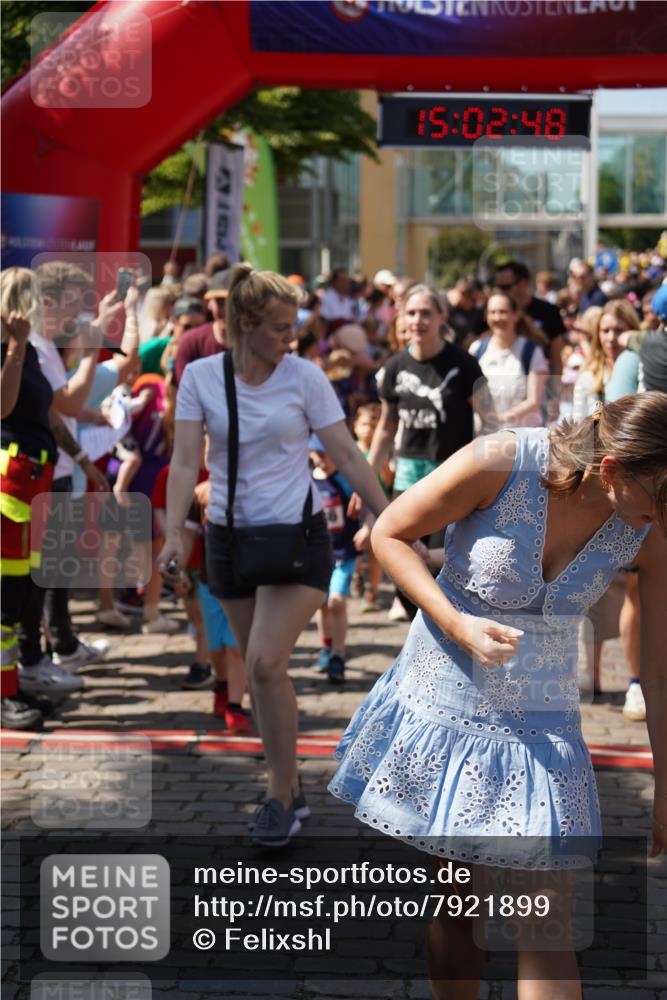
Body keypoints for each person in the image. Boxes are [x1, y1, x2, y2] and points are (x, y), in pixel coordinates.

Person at [330, 393, 667, 998]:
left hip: (546, 724)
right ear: (612, 470)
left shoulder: (653, 527)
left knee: (546, 918)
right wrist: (456, 622)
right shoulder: (500, 460)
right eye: (663, 494)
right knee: (460, 901)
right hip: (447, 699)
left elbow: (661, 671)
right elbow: (392, 533)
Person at [160, 265, 389, 847]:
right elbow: (187, 461)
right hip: (228, 540)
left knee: (263, 662)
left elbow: (347, 451)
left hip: (297, 536)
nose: (292, 338)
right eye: (281, 328)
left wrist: (386, 514)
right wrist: (171, 535)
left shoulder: (305, 377)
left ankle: (278, 795)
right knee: (263, 673)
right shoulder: (202, 377)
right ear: (245, 325)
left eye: (295, 326)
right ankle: (289, 781)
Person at [1, 267, 109, 725]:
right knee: (7, 596)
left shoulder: (32, 352)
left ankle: (14, 687)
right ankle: (5, 696)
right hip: (11, 485)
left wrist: (83, 460)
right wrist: (14, 347)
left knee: (25, 592)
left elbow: (50, 416)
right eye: (34, 300)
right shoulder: (13, 349)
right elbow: (3, 407)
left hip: (37, 481)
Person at [368, 283, 486, 621]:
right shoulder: (394, 367)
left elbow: (489, 419)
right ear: (401, 318)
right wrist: (370, 477)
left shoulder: (463, 365)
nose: (418, 320)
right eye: (411, 313)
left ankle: (446, 628)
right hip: (409, 471)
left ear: (441, 318)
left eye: (426, 313)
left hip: (451, 472)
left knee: (442, 558)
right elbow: (387, 427)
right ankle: (418, 626)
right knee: (403, 550)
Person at [310, 433, 361, 684]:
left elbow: (367, 502)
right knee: (321, 603)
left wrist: (367, 527)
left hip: (343, 554)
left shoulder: (345, 480)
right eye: (319, 454)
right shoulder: (307, 482)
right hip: (318, 556)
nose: (324, 459)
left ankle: (338, 654)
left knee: (337, 602)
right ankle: (325, 646)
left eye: (329, 453)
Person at [469, 291, 549, 432]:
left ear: (516, 315)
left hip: (522, 438)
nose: (497, 317)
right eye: (492, 312)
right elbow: (469, 394)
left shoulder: (531, 352)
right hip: (485, 436)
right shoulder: (476, 350)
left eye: (503, 312)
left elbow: (533, 402)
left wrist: (500, 420)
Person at [572, 300, 640, 422]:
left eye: (619, 330)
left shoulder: (644, 370)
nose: (611, 337)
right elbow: (578, 424)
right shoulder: (588, 375)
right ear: (598, 334)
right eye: (605, 331)